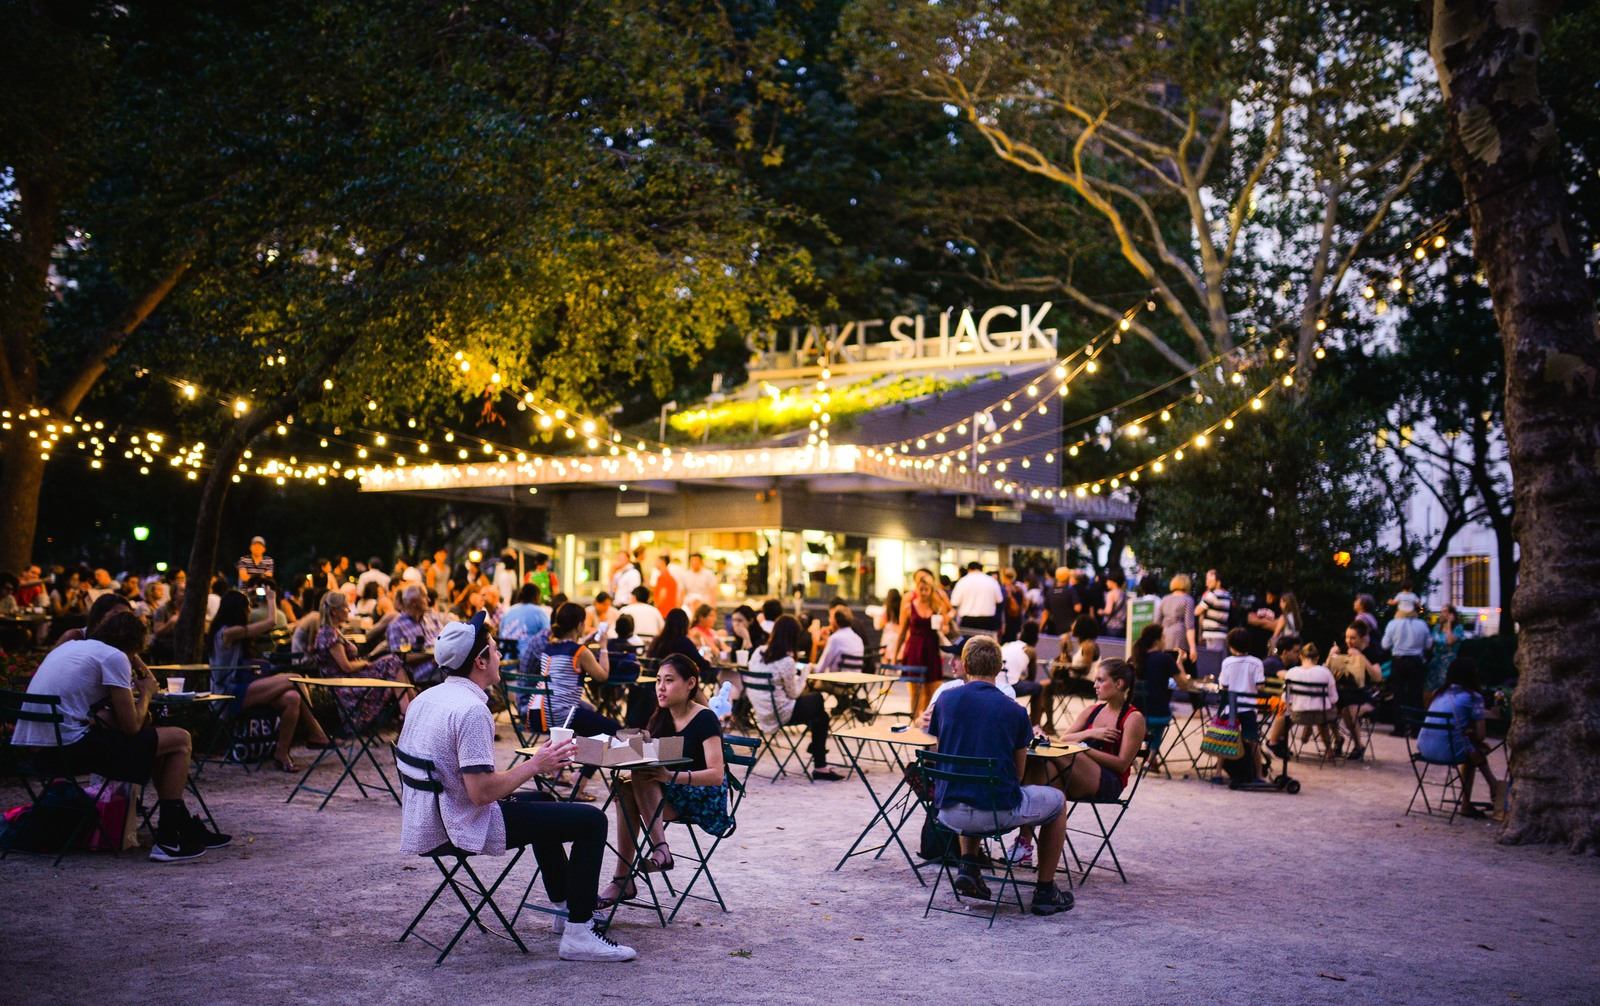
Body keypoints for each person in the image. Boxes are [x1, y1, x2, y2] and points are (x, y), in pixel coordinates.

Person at [395, 611, 635, 961]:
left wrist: (535, 765)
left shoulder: (425, 698)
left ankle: (567, 909)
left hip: (428, 820)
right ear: (480, 662)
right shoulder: (471, 710)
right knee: (592, 821)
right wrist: (536, 764)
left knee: (543, 801)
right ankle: (580, 934)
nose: (499, 655)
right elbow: (481, 793)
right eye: (494, 650)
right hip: (460, 825)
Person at [12, 611, 229, 862]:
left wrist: (135, 662)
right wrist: (146, 692)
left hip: (38, 752)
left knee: (161, 745)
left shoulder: (73, 647)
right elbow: (132, 726)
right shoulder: (113, 657)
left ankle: (179, 825)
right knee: (180, 739)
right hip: (68, 751)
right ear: (136, 645)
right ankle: (169, 839)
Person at [926, 635, 1072, 916]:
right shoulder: (1014, 711)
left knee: (970, 778)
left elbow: (939, 750)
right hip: (994, 811)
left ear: (966, 663)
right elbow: (1018, 774)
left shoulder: (945, 700)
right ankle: (1045, 890)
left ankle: (969, 865)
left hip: (948, 810)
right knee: (1057, 801)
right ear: (998, 667)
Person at [598, 653, 732, 912]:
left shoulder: (705, 718)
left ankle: (658, 852)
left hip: (704, 797)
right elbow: (654, 759)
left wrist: (669, 776)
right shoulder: (662, 716)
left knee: (642, 775)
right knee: (625, 787)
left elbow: (716, 775)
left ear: (690, 683)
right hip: (670, 793)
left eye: (669, 680)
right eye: (658, 680)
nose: (660, 687)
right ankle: (624, 879)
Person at [208, 587, 331, 772]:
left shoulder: (231, 632)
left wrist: (250, 594)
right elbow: (271, 622)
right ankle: (316, 731)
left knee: (292, 698)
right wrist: (271, 599)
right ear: (238, 610)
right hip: (226, 694)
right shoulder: (227, 632)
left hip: (243, 688)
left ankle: (282, 753)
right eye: (247, 608)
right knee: (296, 678)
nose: (250, 611)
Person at [746, 615, 844, 780]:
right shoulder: (786, 661)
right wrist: (805, 673)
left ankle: (818, 756)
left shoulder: (758, 652)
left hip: (761, 711)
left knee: (820, 716)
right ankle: (819, 761)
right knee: (818, 700)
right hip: (780, 713)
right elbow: (794, 694)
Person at [544, 602, 623, 800]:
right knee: (612, 731)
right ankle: (580, 781)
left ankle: (564, 770)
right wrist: (603, 647)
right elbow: (602, 676)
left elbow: (571, 655)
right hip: (564, 716)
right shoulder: (580, 651)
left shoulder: (549, 648)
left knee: (592, 725)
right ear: (580, 625)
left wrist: (584, 644)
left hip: (542, 713)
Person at [313, 590, 414, 729]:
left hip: (348, 677)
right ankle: (410, 712)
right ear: (335, 612)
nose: (349, 610)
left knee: (394, 662)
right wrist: (365, 663)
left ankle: (409, 711)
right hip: (344, 682)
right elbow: (346, 667)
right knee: (393, 662)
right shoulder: (329, 634)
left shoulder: (332, 631)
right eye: (345, 607)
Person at [1417, 658, 1502, 819]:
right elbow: (1481, 735)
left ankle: (1492, 787)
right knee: (1474, 749)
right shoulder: (1473, 697)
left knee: (1471, 746)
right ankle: (1481, 795)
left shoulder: (1438, 693)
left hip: (1424, 748)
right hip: (1447, 751)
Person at [1266, 642, 1340, 762]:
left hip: (1297, 716)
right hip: (1321, 717)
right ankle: (1329, 750)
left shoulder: (1292, 672)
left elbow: (1286, 698)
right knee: (1323, 711)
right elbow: (1334, 698)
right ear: (1317, 658)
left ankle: (1275, 741)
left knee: (1287, 710)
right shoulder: (1325, 672)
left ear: (1301, 657)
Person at [893, 569, 950, 720]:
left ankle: (925, 720)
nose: (923, 592)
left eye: (926, 589)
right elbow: (902, 632)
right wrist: (895, 655)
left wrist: (942, 627)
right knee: (915, 690)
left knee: (932, 688)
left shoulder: (937, 606)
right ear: (916, 588)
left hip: (931, 649)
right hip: (914, 650)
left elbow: (946, 626)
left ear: (931, 590)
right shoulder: (909, 607)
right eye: (921, 589)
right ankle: (913, 719)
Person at [1217, 627, 1265, 782]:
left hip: (1231, 709)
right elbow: (1260, 687)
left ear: (1230, 646)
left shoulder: (1227, 662)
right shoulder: (1256, 663)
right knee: (1253, 740)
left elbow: (1224, 687)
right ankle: (1259, 774)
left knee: (1226, 738)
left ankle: (1218, 773)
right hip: (1249, 709)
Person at [1382, 607, 1433, 733]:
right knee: (1416, 695)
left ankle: (1399, 727)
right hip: (1416, 661)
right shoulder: (1422, 625)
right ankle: (1416, 728)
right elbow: (1428, 645)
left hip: (1399, 661)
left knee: (1398, 694)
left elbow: (1385, 644)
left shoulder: (1393, 624)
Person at [1000, 622, 1045, 722]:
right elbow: (1031, 678)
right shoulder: (1030, 650)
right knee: (1038, 688)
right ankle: (1035, 725)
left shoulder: (1007, 645)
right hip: (1010, 686)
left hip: (994, 682)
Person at [1426, 604, 1469, 700]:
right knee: (1430, 687)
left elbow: (1450, 641)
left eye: (1445, 611)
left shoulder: (1458, 628)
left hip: (1449, 662)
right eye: (1441, 612)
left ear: (1451, 614)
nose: (1442, 614)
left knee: (1445, 688)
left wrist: (1449, 624)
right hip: (1436, 662)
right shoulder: (1437, 628)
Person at [949, 561, 1003, 632]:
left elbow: (954, 602)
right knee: (986, 639)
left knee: (969, 638)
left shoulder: (962, 582)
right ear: (981, 569)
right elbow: (999, 600)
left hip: (968, 620)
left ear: (969, 569)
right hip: (988, 620)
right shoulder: (992, 581)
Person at [1156, 574, 1198, 658]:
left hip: (1165, 639)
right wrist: (1192, 647)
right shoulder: (1188, 600)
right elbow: (1189, 626)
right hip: (1180, 640)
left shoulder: (1165, 599)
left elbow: (1157, 622)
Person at [814, 606, 864, 674]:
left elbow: (819, 669)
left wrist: (808, 667)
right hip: (855, 679)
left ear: (835, 621)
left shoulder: (835, 639)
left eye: (830, 618)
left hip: (836, 679)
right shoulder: (858, 639)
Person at [1195, 569, 1232, 652]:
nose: (1206, 583)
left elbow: (1197, 611)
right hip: (1222, 634)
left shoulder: (1212, 595)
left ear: (1218, 582)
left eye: (1209, 580)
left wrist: (1205, 596)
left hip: (1212, 635)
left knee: (1212, 658)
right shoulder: (1227, 595)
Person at [1038, 567, 1081, 635]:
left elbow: (1045, 613)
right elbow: (1078, 608)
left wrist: (1040, 629)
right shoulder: (1071, 591)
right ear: (1068, 578)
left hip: (1053, 629)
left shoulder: (1050, 592)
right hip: (1068, 630)